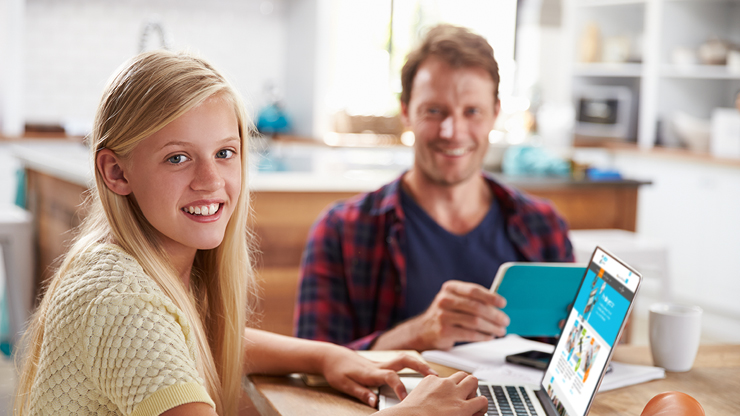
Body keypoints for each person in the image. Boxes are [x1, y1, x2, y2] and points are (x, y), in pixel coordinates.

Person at [13, 50, 488, 416]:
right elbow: (152, 335)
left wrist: (326, 357)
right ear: (116, 172)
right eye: (178, 157)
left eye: (225, 152)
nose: (210, 180)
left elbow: (196, 339)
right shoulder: (122, 302)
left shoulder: (133, 266)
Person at [295, 24, 573, 352]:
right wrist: (416, 334)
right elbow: (310, 373)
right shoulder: (342, 231)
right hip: (392, 404)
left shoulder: (542, 225)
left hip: (513, 403)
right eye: (434, 111)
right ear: (405, 112)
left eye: (472, 112)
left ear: (495, 114)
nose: (452, 131)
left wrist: (596, 336)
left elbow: (568, 363)